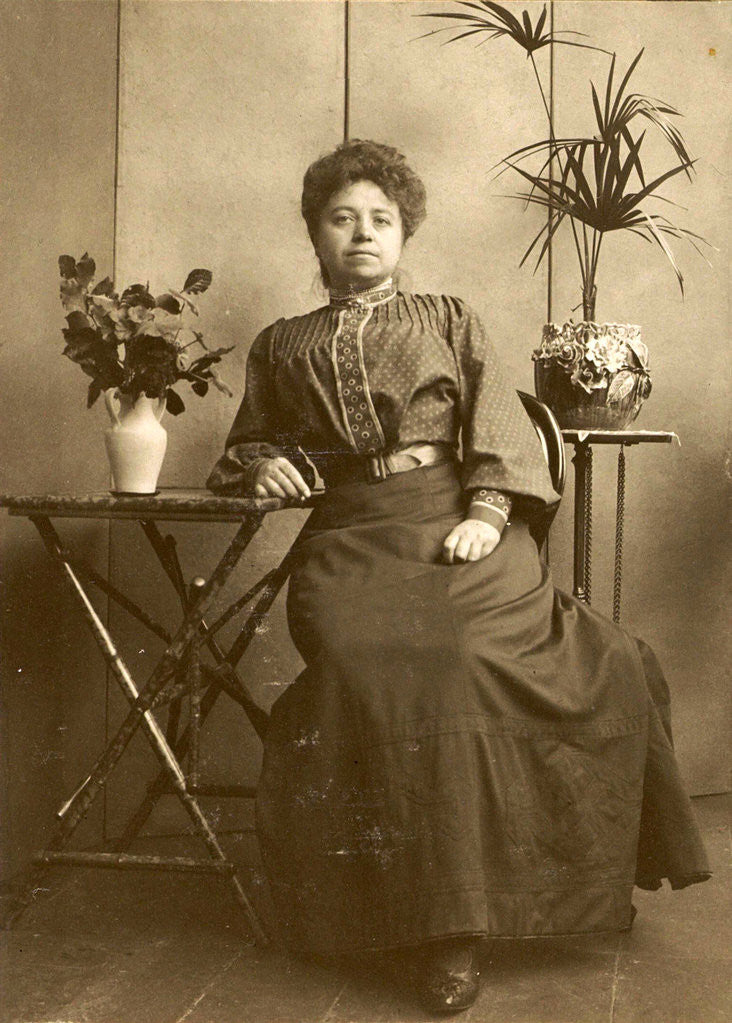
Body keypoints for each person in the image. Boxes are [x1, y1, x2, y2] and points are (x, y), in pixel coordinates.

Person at [207, 140, 710, 1015]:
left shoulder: (448, 316)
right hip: (351, 539)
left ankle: (458, 931)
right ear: (315, 233)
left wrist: (485, 514)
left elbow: (504, 431)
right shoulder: (280, 345)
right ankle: (403, 914)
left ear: (404, 235)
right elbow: (246, 443)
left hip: (459, 520)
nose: (362, 234)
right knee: (370, 669)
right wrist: (263, 469)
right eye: (342, 218)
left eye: (381, 220)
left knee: (468, 655)